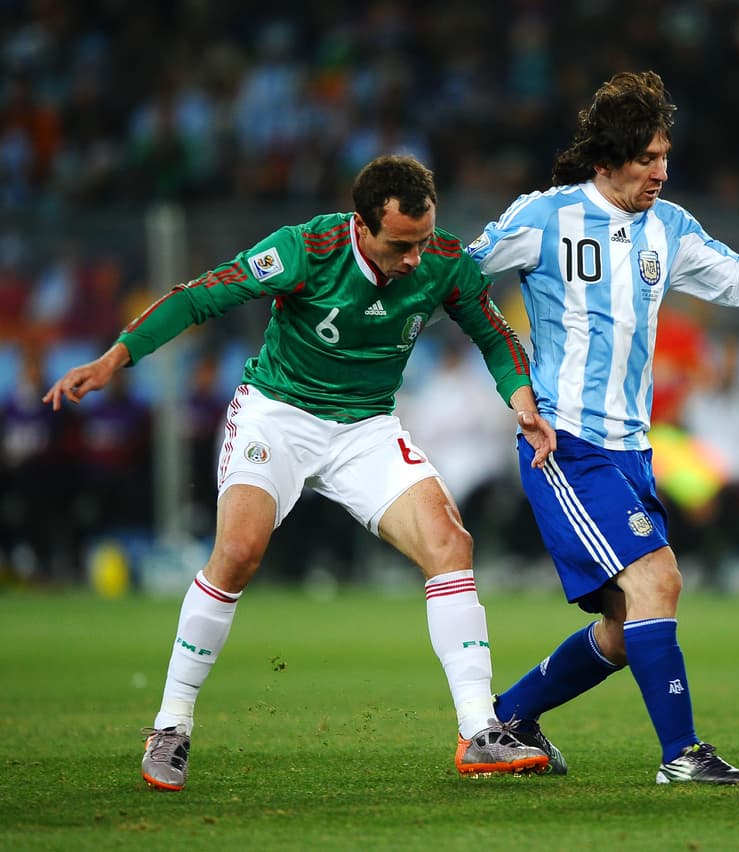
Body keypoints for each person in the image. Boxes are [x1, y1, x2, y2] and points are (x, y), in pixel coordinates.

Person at [43, 154, 556, 791]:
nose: (415, 258)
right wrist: (116, 358)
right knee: (237, 553)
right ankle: (171, 725)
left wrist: (522, 402)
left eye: (423, 240)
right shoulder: (305, 250)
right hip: (278, 416)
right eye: (401, 245)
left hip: (366, 426)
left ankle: (479, 731)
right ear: (361, 225)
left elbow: (494, 334)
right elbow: (200, 296)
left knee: (450, 543)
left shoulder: (443, 259)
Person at [465, 70, 739, 784]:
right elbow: (458, 279)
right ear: (607, 160)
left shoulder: (669, 227)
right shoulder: (544, 217)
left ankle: (505, 721)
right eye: (647, 159)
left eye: (665, 156)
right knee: (658, 581)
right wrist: (511, 377)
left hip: (633, 451)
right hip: (566, 443)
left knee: (623, 626)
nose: (661, 172)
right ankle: (682, 755)